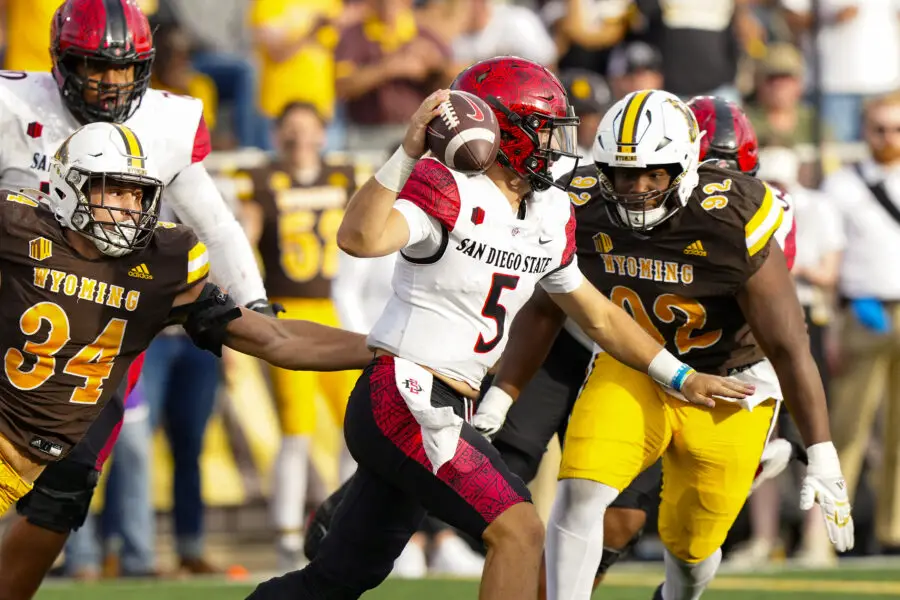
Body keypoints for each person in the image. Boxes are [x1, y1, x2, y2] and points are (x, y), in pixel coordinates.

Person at [247, 57, 751, 600]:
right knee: (519, 529)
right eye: (544, 131)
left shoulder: (549, 211)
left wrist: (680, 377)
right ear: (505, 133)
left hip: (444, 401)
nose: (556, 146)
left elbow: (600, 315)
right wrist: (407, 151)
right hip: (404, 391)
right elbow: (360, 238)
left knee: (338, 578)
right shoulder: (450, 188)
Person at [480, 89, 854, 600]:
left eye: (653, 173)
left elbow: (788, 345)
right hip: (635, 365)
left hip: (732, 382)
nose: (635, 188)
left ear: (685, 165)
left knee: (692, 550)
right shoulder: (581, 200)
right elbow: (548, 303)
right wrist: (502, 395)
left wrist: (823, 452)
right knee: (581, 490)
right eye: (622, 173)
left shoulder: (731, 216)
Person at [0, 121, 372, 567]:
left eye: (138, 195)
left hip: (30, 460)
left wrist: (385, 350)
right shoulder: (17, 228)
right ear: (68, 186)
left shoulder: (161, 269)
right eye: (116, 191)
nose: (130, 208)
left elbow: (277, 338)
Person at [0, 0, 276, 596]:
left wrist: (253, 301)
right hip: (15, 312)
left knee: (63, 493)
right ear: (61, 62)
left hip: (105, 323)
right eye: (96, 68)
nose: (110, 84)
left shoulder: (166, 121)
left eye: (125, 71)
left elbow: (216, 223)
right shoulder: (13, 105)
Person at [236, 101, 359, 571]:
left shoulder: (345, 175)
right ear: (277, 133)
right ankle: (288, 532)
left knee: (357, 425)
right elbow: (245, 239)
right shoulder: (261, 179)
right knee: (296, 430)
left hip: (338, 310)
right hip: (287, 313)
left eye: (308, 128)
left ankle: (346, 518)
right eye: (291, 129)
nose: (299, 138)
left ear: (324, 134)